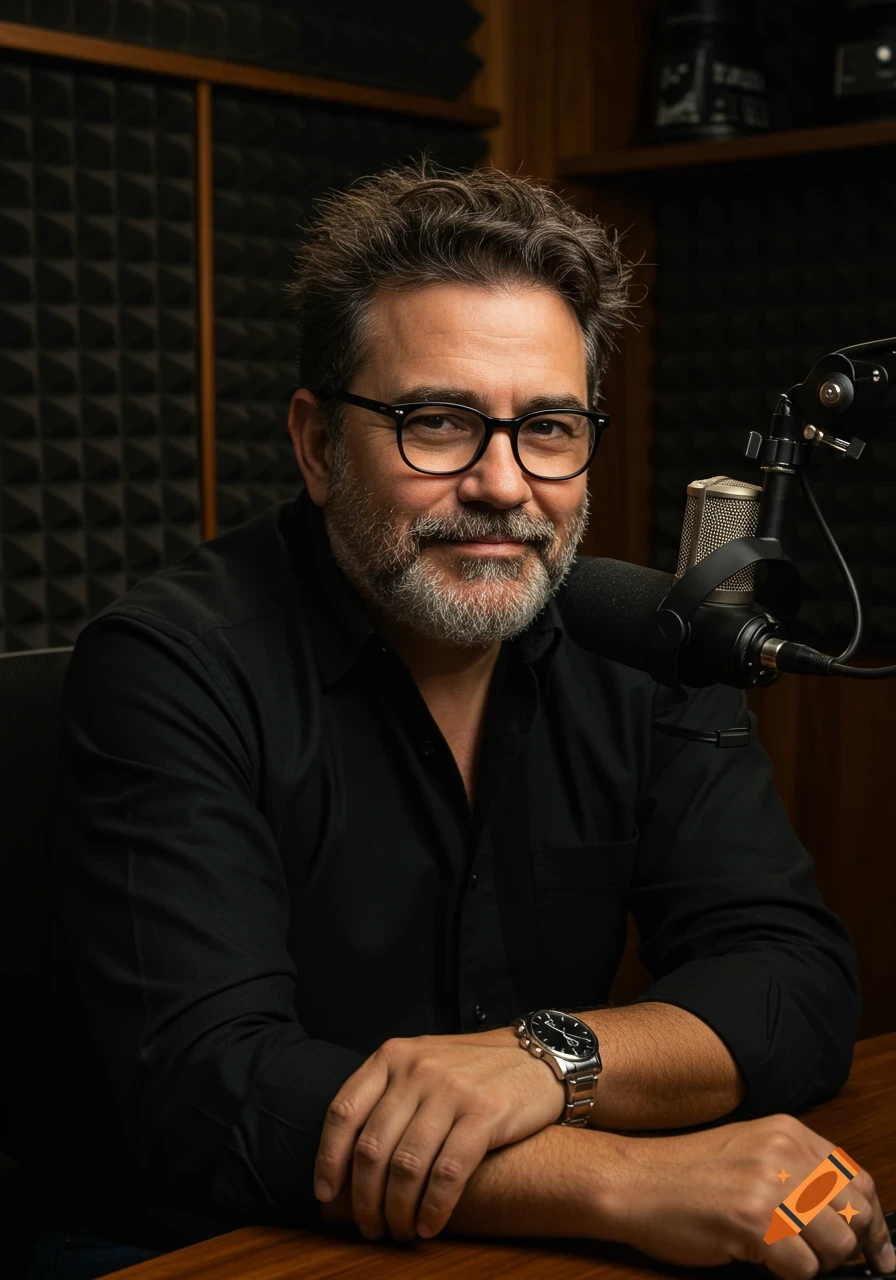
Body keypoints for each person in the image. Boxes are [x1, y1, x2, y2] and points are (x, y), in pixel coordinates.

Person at [26, 162, 895, 1280]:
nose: (500, 483)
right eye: (434, 422)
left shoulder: (647, 646)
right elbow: (218, 1092)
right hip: (203, 1242)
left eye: (546, 427)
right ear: (313, 442)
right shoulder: (170, 665)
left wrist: (548, 1057)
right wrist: (622, 1179)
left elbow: (791, 975)